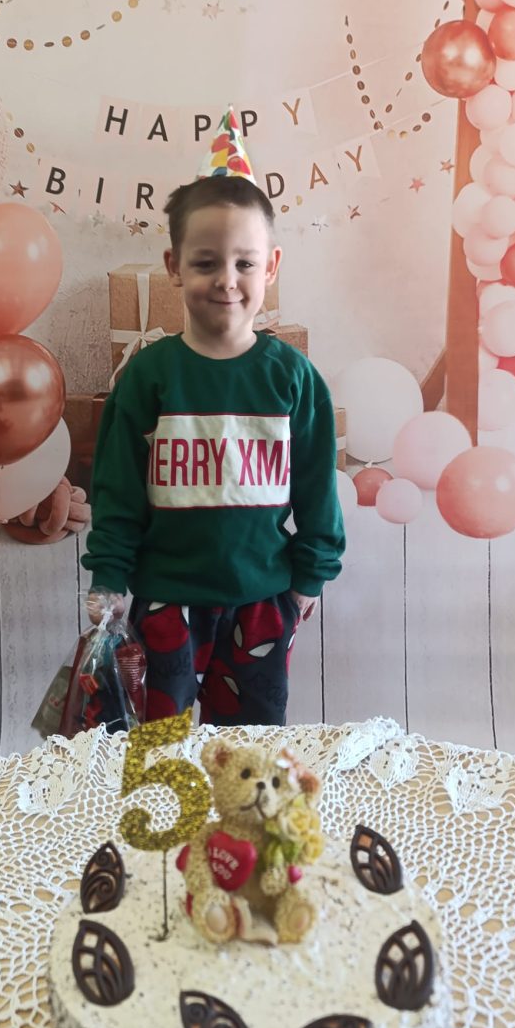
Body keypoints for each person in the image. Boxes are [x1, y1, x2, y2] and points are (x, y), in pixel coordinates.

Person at [82, 109, 344, 726]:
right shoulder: (148, 377)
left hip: (263, 600)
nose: (227, 280)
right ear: (174, 265)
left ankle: (240, 801)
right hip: (164, 602)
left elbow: (317, 488)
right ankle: (162, 799)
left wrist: (311, 574)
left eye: (245, 263)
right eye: (206, 263)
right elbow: (117, 488)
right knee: (157, 746)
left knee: (248, 749)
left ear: (271, 266)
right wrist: (109, 575)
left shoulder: (294, 379)